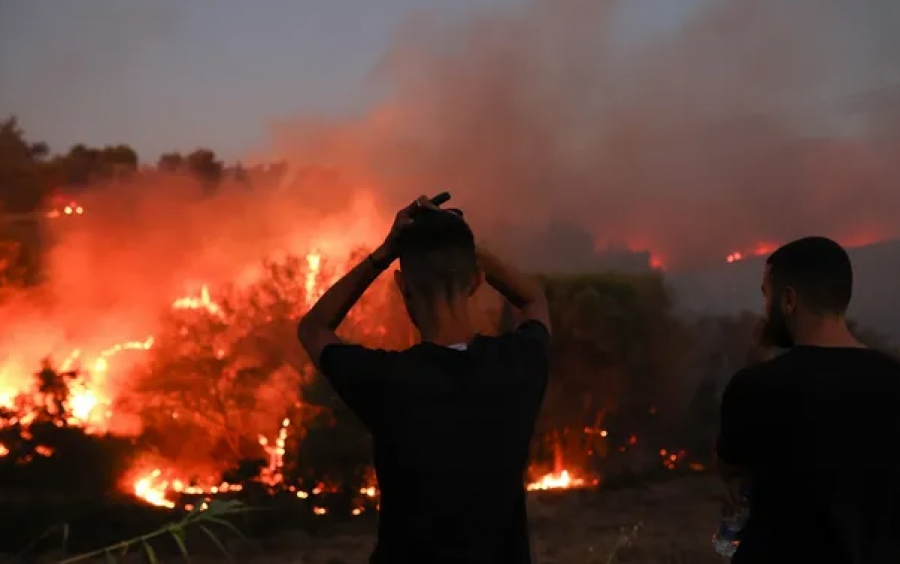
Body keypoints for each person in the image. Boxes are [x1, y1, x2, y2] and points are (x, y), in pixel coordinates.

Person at [296, 195, 551, 563]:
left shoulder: (389, 382)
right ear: (477, 280)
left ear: (402, 286)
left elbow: (314, 328)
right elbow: (534, 300)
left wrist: (383, 254)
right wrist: (464, 248)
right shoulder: (519, 364)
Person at [716, 236, 900, 563]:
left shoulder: (757, 387)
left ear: (789, 300)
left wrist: (755, 357)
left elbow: (734, 478)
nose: (764, 308)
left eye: (766, 295)